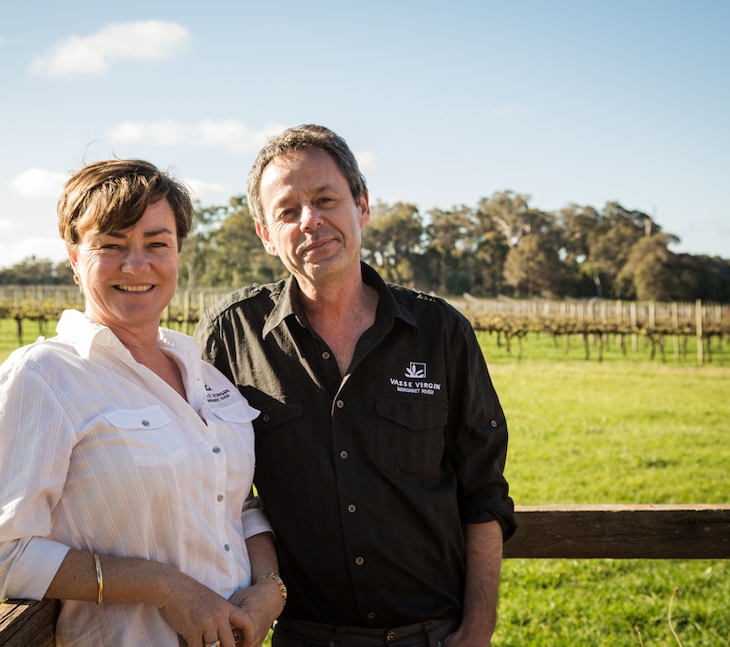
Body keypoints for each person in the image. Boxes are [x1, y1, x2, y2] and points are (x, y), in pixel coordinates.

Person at [194, 125, 516, 647]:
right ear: (265, 233)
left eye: (326, 199)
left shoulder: (439, 331)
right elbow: (209, 487)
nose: (310, 221)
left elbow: (484, 492)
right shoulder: (232, 334)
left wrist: (477, 630)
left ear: (361, 206)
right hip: (303, 636)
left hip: (433, 634)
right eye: (287, 211)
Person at [0, 159, 287, 647]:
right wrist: (163, 587)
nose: (137, 265)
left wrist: (267, 591)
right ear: (74, 258)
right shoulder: (42, 377)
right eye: (110, 245)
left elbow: (236, 502)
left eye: (157, 243)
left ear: (177, 253)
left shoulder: (205, 372)